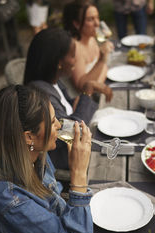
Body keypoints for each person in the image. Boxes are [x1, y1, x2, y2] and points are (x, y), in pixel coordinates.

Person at [0, 85, 94, 233]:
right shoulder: (9, 199)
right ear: (29, 137)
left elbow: (58, 210)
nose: (60, 126)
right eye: (53, 122)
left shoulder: (35, 158)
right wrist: (78, 174)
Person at [24, 27, 107, 169]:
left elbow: (71, 107)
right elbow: (70, 131)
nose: (75, 61)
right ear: (59, 62)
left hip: (83, 141)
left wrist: (76, 113)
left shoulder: (53, 81)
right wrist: (86, 93)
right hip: (68, 159)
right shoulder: (42, 94)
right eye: (73, 56)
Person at [63, 0, 114, 95]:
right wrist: (102, 61)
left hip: (98, 92)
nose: (97, 24)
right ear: (76, 24)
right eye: (90, 19)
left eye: (97, 18)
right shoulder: (75, 48)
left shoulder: (91, 38)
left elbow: (101, 69)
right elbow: (82, 87)